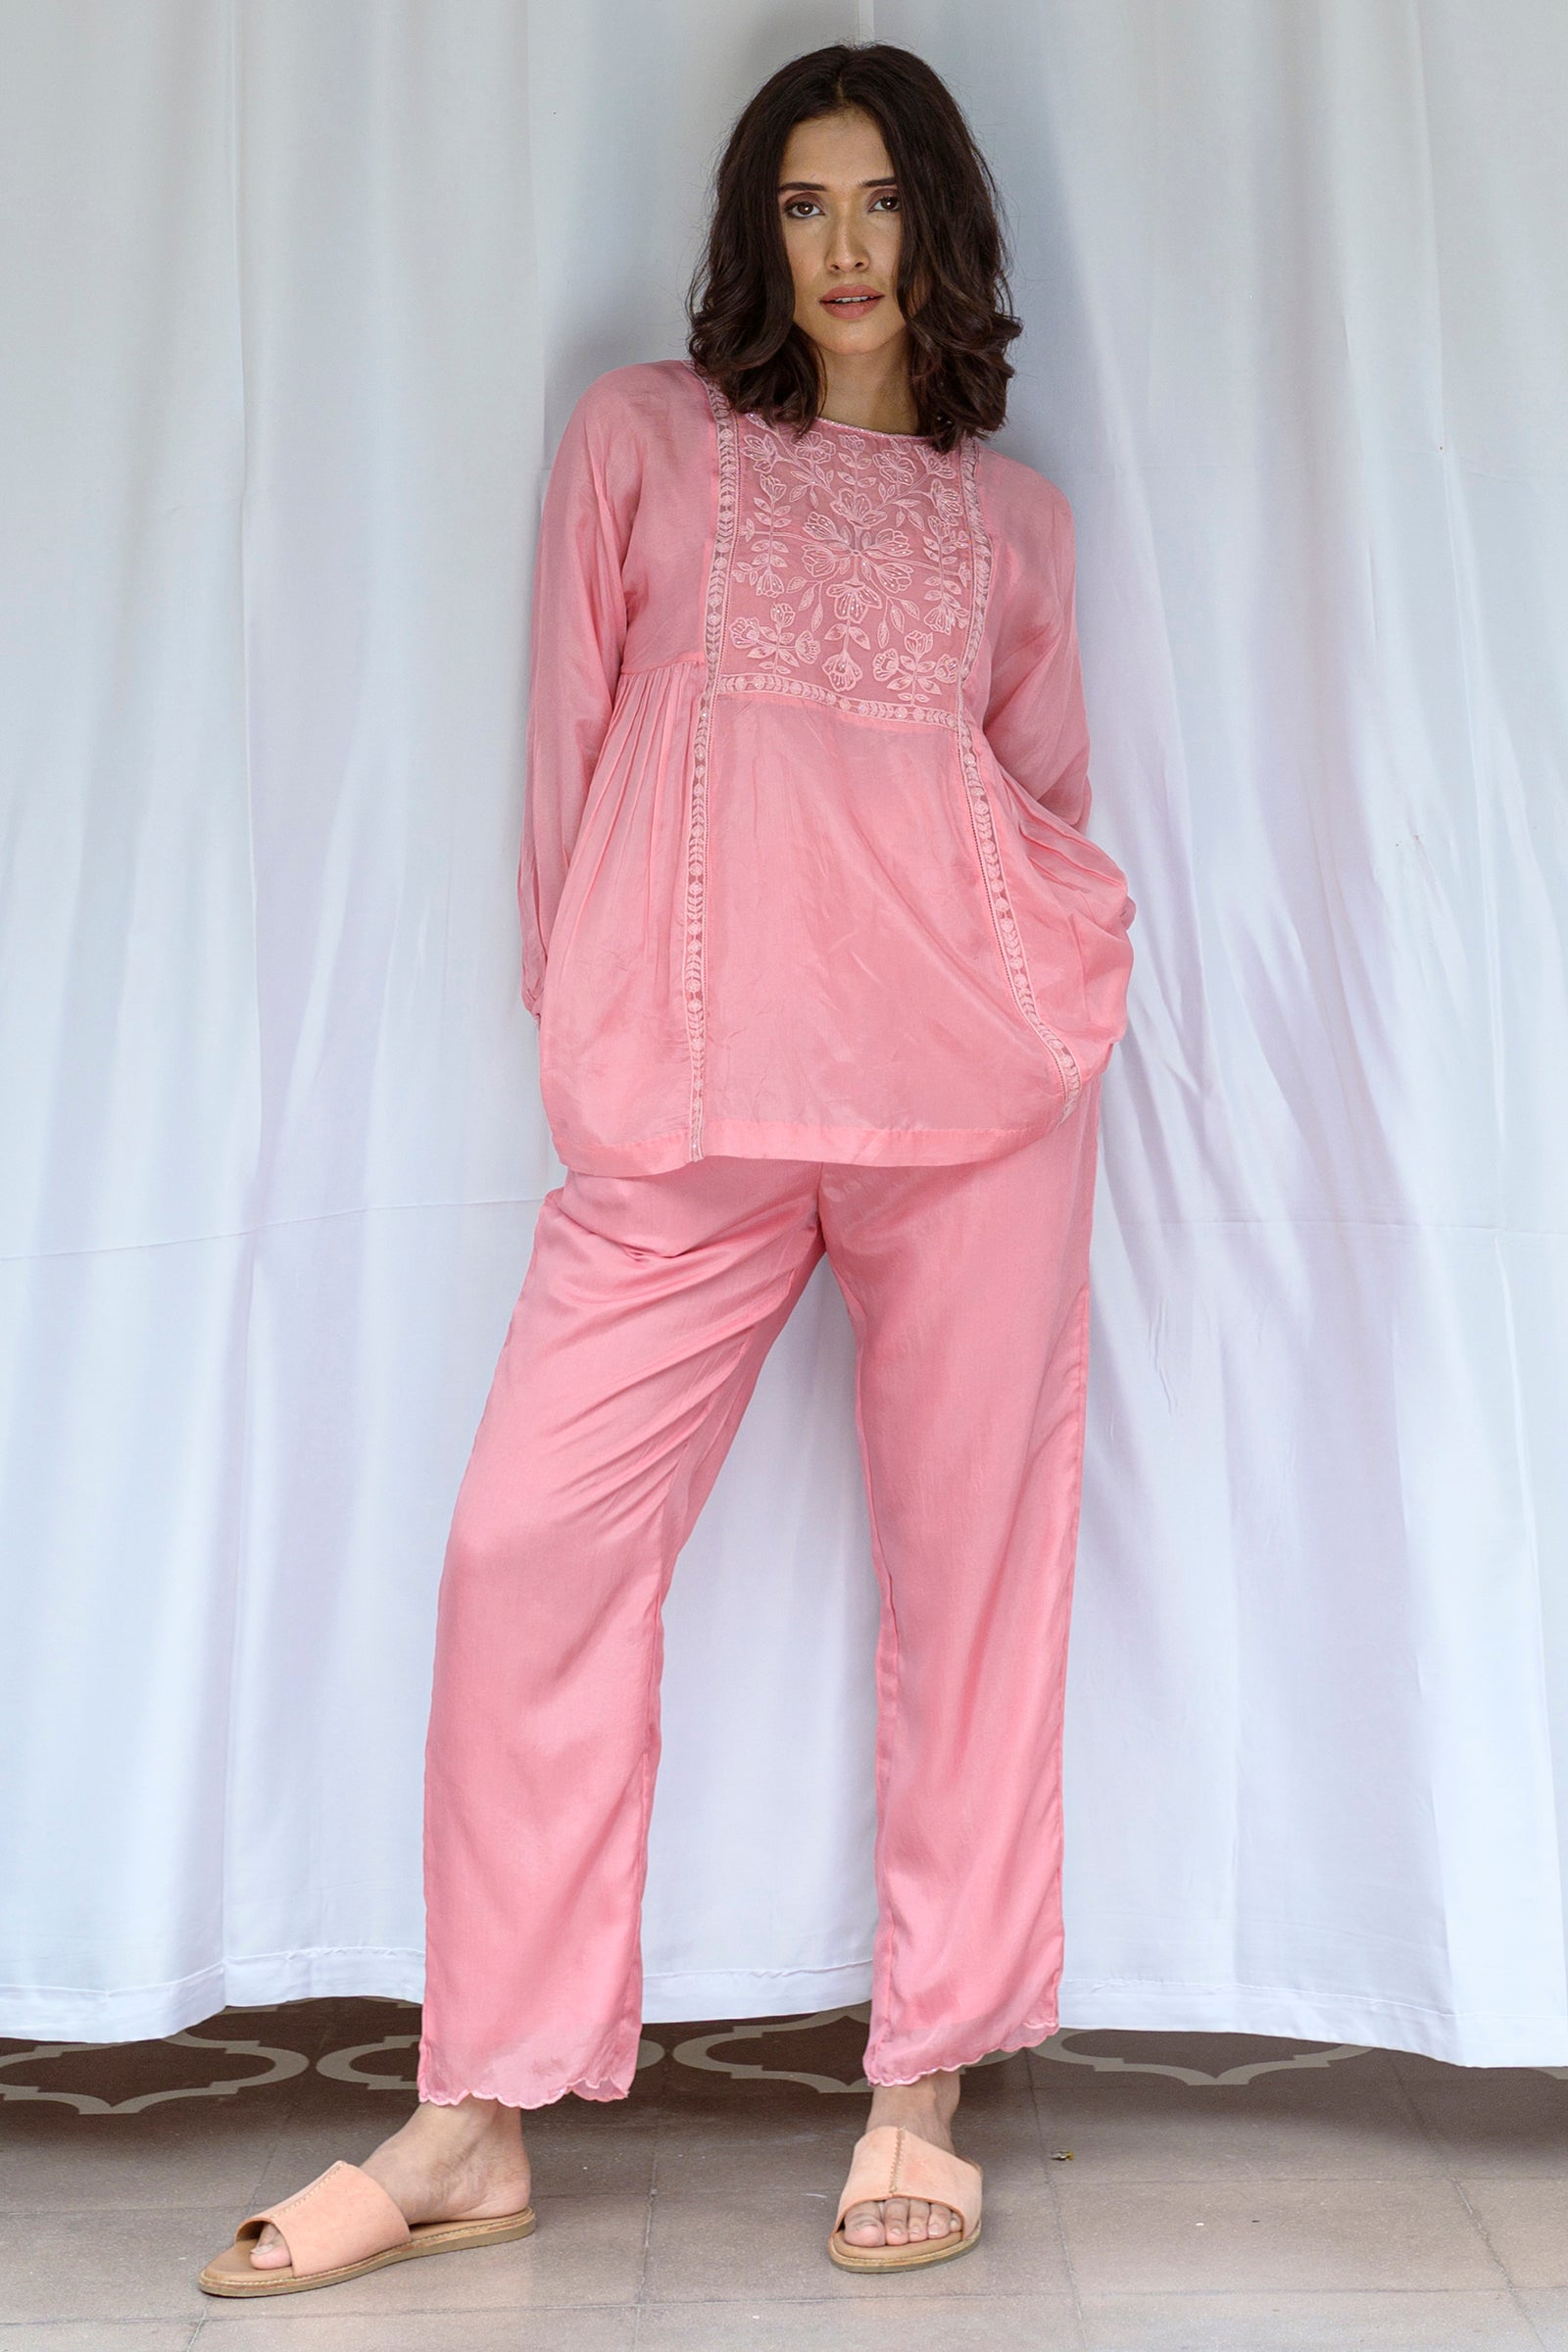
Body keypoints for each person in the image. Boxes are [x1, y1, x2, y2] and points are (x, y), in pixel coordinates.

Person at [199, 39, 1135, 2298]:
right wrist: (597, 1016)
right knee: (524, 1547)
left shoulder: (1010, 526)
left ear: (939, 229)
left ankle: (922, 2082)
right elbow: (565, 755)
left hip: (970, 1106)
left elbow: (1040, 792)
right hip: (684, 1110)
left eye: (879, 201)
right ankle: (473, 2110)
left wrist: (1025, 971)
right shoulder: (642, 443)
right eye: (801, 203)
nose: (842, 247)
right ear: (752, 232)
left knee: (976, 1580)